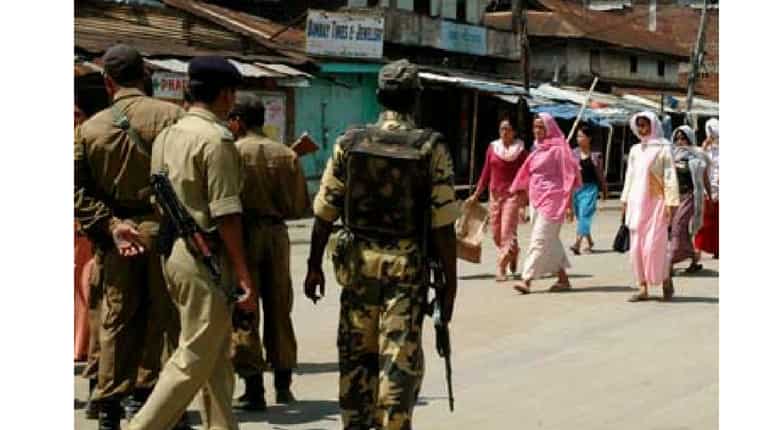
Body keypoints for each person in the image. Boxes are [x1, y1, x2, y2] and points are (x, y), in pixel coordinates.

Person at [303, 59, 460, 430]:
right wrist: (450, 284)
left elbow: (324, 212)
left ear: (378, 97)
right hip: (406, 271)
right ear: (416, 100)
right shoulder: (430, 147)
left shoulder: (349, 141)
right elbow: (443, 225)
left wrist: (313, 266)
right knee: (397, 362)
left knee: (356, 357)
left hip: (356, 265)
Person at [126, 55, 258, 430]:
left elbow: (156, 196)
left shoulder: (168, 134)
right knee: (195, 356)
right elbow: (227, 215)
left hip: (175, 253)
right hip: (206, 256)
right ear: (226, 95)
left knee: (214, 356)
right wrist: (245, 276)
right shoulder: (217, 140)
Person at [74, 44, 185, 430]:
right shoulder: (174, 117)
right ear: (146, 76)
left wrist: (110, 225)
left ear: (108, 82)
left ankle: (108, 411)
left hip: (117, 237)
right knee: (167, 318)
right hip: (166, 232)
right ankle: (157, 402)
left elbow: (76, 192)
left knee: (116, 321)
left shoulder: (88, 129)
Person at [226, 93, 310, 410]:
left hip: (242, 234)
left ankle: (253, 388)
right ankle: (284, 386)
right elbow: (300, 206)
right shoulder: (285, 154)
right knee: (280, 308)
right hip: (277, 234)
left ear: (239, 120)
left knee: (245, 311)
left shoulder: (230, 153)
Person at [510, 113, 581, 294]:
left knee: (539, 239)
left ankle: (527, 279)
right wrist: (523, 202)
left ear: (549, 128)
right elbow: (529, 175)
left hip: (554, 199)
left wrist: (569, 205)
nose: (537, 131)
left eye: (541, 127)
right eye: (535, 127)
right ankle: (563, 278)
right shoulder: (537, 149)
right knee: (550, 240)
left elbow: (569, 177)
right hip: (536, 198)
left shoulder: (559, 149)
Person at [621, 112, 679, 302]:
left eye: (645, 125)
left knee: (654, 246)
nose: (641, 129)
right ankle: (642, 287)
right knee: (637, 247)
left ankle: (665, 280)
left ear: (653, 126)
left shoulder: (663, 148)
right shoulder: (636, 150)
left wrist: (671, 203)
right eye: (639, 125)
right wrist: (625, 201)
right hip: (636, 205)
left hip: (656, 203)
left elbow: (670, 176)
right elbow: (629, 177)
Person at [468, 119, 528, 281]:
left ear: (514, 132)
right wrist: (476, 194)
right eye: (502, 129)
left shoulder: (521, 151)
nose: (504, 132)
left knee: (507, 232)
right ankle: (513, 252)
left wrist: (524, 203)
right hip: (495, 196)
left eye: (508, 129)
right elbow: (486, 172)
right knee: (496, 234)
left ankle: (501, 267)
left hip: (513, 196)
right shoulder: (493, 148)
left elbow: (526, 177)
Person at [669, 125, 711, 274]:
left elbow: (704, 178)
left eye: (683, 138)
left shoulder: (698, 155)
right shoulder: (671, 156)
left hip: (690, 197)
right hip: (674, 198)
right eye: (678, 138)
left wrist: (710, 197)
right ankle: (693, 257)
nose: (680, 141)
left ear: (690, 139)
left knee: (678, 226)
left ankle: (671, 261)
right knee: (677, 229)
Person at [570, 123, 609, 255]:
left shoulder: (596, 155)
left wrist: (604, 189)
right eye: (577, 136)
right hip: (577, 189)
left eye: (581, 136)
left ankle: (577, 243)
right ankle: (590, 241)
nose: (578, 139)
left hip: (590, 189)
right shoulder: (573, 154)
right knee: (581, 217)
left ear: (589, 138)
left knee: (585, 215)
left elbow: (600, 174)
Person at [695, 118, 719, 260]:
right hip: (705, 188)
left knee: (717, 221)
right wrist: (704, 147)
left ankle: (718, 249)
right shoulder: (704, 148)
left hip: (719, 189)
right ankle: (698, 248)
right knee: (703, 221)